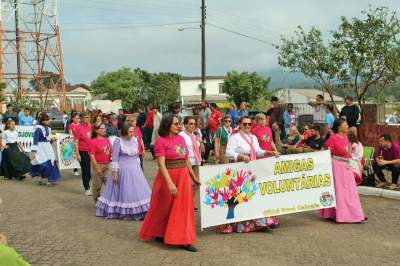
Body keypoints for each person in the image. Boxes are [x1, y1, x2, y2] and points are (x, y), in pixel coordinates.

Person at [138, 114, 200, 252]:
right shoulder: (161, 141)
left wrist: (193, 176)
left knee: (183, 208)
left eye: (179, 123)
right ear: (167, 125)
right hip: (168, 177)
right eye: (176, 124)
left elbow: (186, 159)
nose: (179, 126)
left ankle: (183, 240)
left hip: (183, 177)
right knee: (163, 208)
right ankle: (159, 232)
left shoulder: (181, 139)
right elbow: (161, 164)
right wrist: (170, 183)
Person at [220, 116, 280, 234]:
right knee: (242, 196)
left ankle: (262, 222)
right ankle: (242, 224)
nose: (247, 126)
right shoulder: (234, 137)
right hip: (240, 170)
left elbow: (258, 151)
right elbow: (228, 152)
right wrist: (241, 156)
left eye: (249, 124)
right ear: (240, 124)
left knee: (255, 194)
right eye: (245, 124)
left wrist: (269, 152)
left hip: (252, 168)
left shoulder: (253, 137)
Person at [96, 123, 151, 220]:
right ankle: (124, 211)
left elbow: (136, 155)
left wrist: (138, 167)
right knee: (125, 191)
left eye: (133, 131)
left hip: (135, 169)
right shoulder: (118, 141)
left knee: (137, 191)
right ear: (125, 132)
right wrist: (115, 173)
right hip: (123, 169)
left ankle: (140, 211)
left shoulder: (134, 140)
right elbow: (115, 158)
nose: (133, 133)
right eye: (130, 131)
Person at [320, 118, 366, 223]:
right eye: (345, 124)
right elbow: (327, 153)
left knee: (350, 192)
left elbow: (349, 152)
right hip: (337, 167)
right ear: (339, 127)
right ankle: (338, 214)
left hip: (347, 166)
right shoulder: (332, 138)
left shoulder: (346, 137)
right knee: (339, 191)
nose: (348, 126)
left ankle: (355, 214)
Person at [30, 114, 61, 186]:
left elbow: (48, 139)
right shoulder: (38, 129)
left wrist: (52, 139)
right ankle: (39, 179)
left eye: (48, 120)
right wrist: (34, 152)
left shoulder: (48, 128)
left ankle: (48, 180)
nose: (48, 121)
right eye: (47, 120)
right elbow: (35, 140)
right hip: (40, 147)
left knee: (50, 162)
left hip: (47, 147)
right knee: (41, 163)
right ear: (43, 121)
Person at [89, 123, 112, 203]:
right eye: (102, 128)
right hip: (98, 165)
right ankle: (97, 202)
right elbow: (92, 156)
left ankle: (109, 201)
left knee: (109, 185)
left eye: (104, 128)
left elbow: (110, 152)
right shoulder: (93, 141)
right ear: (96, 130)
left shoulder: (107, 139)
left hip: (107, 165)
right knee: (97, 186)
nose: (104, 130)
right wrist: (97, 168)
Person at [74, 112, 93, 196]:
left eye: (89, 117)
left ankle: (85, 182)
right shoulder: (78, 128)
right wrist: (78, 154)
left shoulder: (91, 126)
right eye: (86, 117)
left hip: (91, 151)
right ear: (81, 119)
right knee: (85, 170)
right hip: (83, 151)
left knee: (89, 172)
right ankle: (87, 188)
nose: (88, 118)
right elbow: (76, 141)